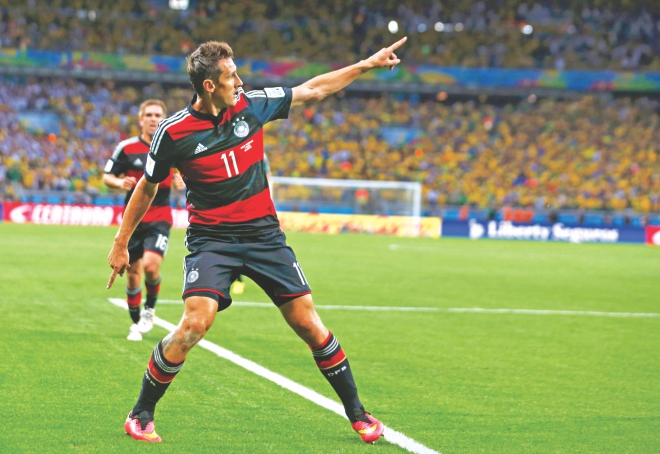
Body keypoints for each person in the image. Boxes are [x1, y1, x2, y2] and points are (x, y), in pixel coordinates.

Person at [107, 37, 407, 444]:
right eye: (231, 76)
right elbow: (147, 187)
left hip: (265, 235)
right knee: (195, 323)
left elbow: (314, 88)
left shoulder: (253, 102)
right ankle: (140, 414)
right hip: (212, 240)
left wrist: (366, 64)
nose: (240, 81)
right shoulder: (173, 132)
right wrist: (121, 242)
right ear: (209, 85)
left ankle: (358, 413)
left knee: (309, 323)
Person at [103, 99, 185, 341]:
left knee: (151, 266)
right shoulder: (126, 148)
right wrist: (119, 182)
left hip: (160, 217)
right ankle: (136, 318)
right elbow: (107, 176)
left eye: (157, 114)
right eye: (148, 114)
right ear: (141, 120)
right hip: (133, 221)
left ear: (163, 119)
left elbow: (186, 171)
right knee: (132, 274)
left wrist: (183, 179)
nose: (152, 118)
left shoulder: (174, 148)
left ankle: (149, 310)